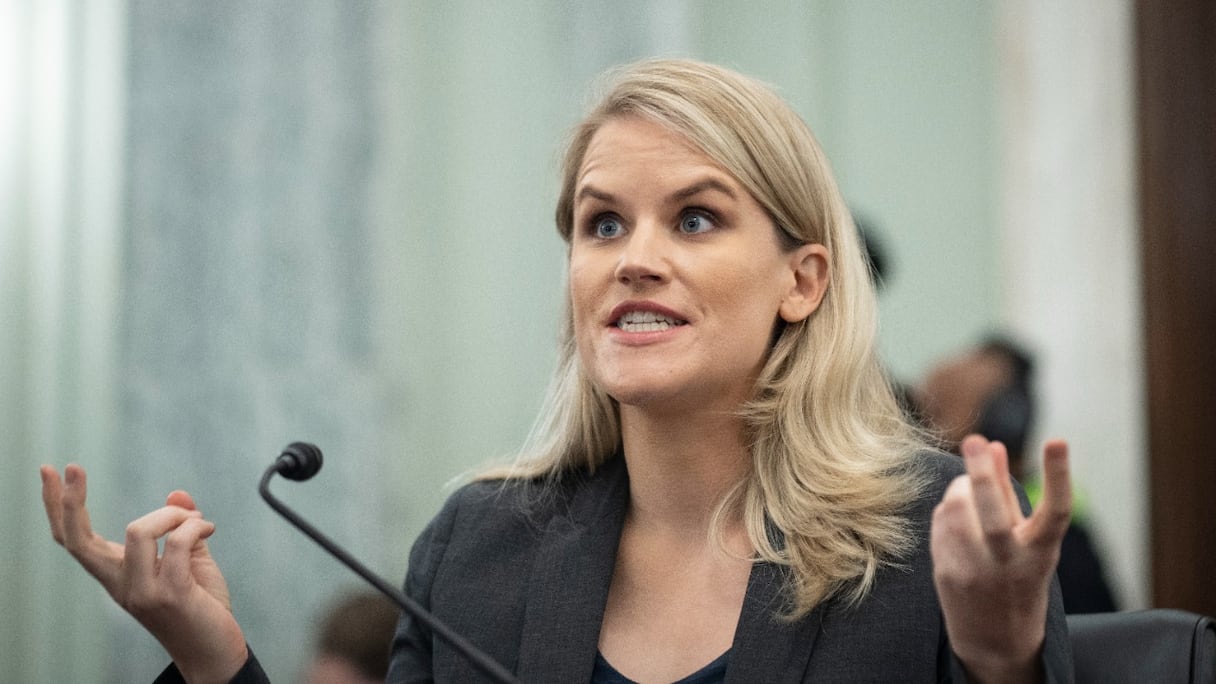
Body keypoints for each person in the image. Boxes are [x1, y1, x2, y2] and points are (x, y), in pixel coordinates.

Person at [40, 58, 1073, 683]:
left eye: (696, 218)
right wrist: (211, 655)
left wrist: (999, 662)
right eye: (601, 222)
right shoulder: (478, 546)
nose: (633, 256)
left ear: (800, 281)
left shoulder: (924, 535)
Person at [918, 335, 1119, 615]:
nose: (917, 432)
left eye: (937, 413)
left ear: (1004, 426)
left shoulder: (1060, 539)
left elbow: (1098, 643)